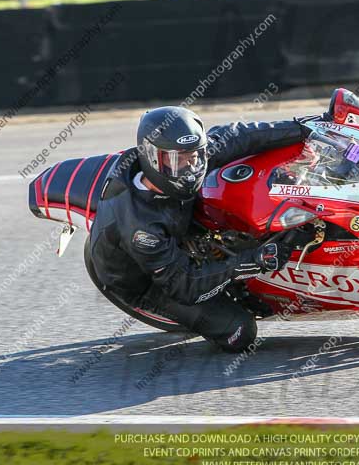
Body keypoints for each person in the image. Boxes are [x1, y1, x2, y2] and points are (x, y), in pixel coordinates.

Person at [86, 106, 311, 353]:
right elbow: (182, 285)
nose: (190, 167)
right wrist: (251, 261)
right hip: (147, 280)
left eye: (194, 156)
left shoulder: (192, 158)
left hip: (177, 225)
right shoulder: (141, 228)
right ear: (152, 158)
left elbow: (239, 136)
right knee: (240, 333)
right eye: (177, 160)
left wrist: (303, 128)